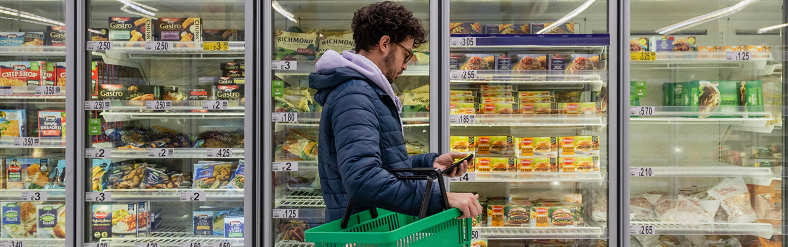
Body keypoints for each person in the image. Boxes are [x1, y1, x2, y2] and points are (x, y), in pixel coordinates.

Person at [309, 1, 483, 222]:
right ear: (384, 43)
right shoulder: (354, 95)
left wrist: (429, 165)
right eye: (407, 54)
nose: (405, 64)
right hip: (361, 233)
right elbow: (363, 179)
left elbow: (381, 166)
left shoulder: (367, 91)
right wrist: (442, 198)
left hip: (373, 225)